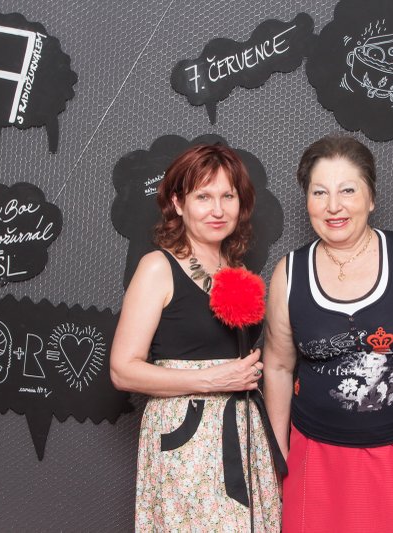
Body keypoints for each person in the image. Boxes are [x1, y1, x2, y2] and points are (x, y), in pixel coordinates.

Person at [263, 136, 393, 532]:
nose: (333, 206)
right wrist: (278, 452)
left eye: (347, 190)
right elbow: (277, 367)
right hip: (319, 461)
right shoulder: (288, 274)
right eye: (319, 192)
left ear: (371, 198)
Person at [110, 144, 282, 532]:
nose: (217, 210)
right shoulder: (158, 267)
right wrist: (210, 380)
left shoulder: (236, 271)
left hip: (243, 432)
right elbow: (122, 371)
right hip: (188, 439)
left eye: (228, 196)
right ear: (178, 202)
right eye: (203, 197)